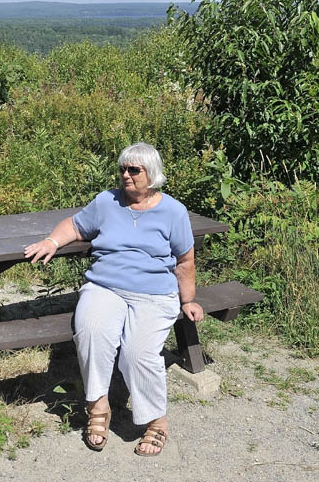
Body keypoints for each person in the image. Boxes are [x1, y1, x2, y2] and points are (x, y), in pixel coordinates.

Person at [24, 142, 203, 456]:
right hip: (105, 288)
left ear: (152, 175)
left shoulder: (173, 211)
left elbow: (185, 260)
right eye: (122, 168)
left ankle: (156, 421)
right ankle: (98, 407)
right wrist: (52, 240)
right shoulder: (107, 202)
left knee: (137, 353)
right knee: (93, 333)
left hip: (154, 293)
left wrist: (188, 300)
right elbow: (76, 226)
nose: (126, 175)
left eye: (134, 170)